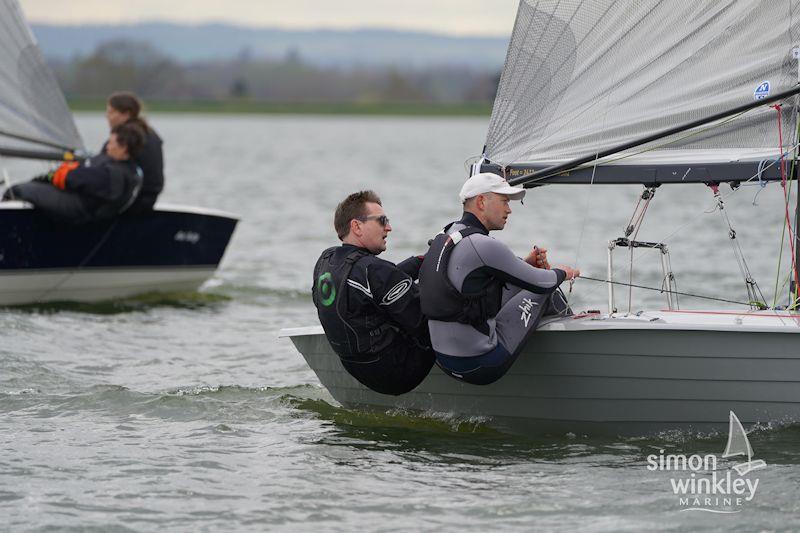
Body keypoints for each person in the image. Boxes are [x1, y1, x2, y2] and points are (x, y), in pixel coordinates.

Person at [418, 172, 580, 386]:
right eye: (504, 201)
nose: (509, 209)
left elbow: (472, 276)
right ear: (482, 201)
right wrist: (563, 272)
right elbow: (543, 282)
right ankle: (576, 353)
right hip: (481, 364)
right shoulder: (484, 244)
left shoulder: (447, 233)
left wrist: (525, 263)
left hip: (444, 361)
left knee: (512, 284)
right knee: (550, 290)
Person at [312, 190, 435, 395]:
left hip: (356, 368)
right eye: (382, 221)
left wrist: (422, 261)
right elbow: (424, 321)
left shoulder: (327, 260)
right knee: (445, 306)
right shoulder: (374, 271)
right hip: (399, 372)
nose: (389, 227)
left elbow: (382, 282)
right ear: (357, 226)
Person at [3, 123, 144, 225]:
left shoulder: (111, 175)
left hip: (82, 209)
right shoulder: (133, 171)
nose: (107, 146)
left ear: (123, 148)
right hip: (90, 206)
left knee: (17, 190)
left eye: (111, 143)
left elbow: (70, 178)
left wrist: (48, 177)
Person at [103, 91, 164, 212]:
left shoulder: (125, 135)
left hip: (134, 200)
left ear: (126, 114)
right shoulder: (149, 131)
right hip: (150, 197)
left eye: (111, 112)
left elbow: (102, 162)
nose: (106, 116)